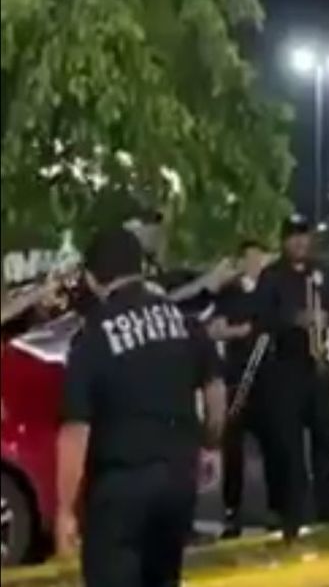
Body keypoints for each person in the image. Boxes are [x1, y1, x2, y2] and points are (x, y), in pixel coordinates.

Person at [56, 227, 226, 587]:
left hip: (120, 488)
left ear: (92, 277)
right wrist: (211, 443)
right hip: (178, 481)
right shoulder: (183, 321)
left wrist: (65, 510)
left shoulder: (93, 338)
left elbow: (76, 431)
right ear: (140, 268)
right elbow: (215, 391)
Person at [254, 214, 329, 540]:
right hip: (286, 368)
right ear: (283, 241)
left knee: (325, 437)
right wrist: (296, 318)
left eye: (303, 236)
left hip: (318, 365)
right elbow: (262, 318)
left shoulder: (321, 274)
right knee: (289, 447)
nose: (299, 242)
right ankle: (292, 514)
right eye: (292, 236)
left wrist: (326, 316)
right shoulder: (271, 276)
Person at [207, 240, 277, 538]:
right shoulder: (230, 292)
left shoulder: (272, 291)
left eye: (259, 257)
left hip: (269, 380)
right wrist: (241, 331)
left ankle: (276, 508)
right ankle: (231, 510)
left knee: (274, 445)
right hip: (238, 379)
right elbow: (215, 329)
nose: (255, 262)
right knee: (232, 448)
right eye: (250, 257)